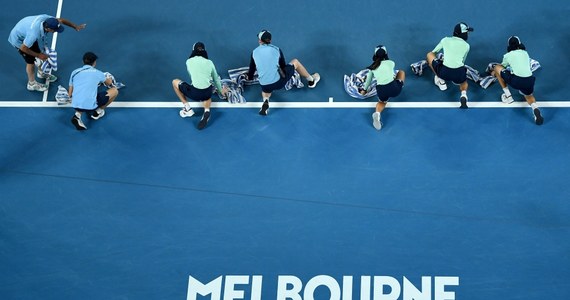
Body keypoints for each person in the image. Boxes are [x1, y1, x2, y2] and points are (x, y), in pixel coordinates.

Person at [247, 30, 320, 116]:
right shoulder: (276, 49)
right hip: (279, 83)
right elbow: (283, 66)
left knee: (266, 91)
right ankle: (311, 80)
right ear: (270, 40)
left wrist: (250, 77)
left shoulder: (254, 52)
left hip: (264, 84)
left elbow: (251, 69)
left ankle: (266, 101)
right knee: (295, 62)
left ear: (260, 40)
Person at [8, 14, 86, 92]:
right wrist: (39, 55)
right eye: (55, 30)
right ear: (48, 29)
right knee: (30, 61)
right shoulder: (33, 34)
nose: (56, 31)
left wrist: (75, 26)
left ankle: (41, 73)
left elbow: (61, 20)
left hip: (25, 32)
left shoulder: (48, 19)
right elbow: (23, 48)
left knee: (37, 52)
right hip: (19, 40)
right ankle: (31, 84)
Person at [172, 42, 227, 130]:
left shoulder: (188, 62)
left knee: (174, 82)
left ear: (193, 50)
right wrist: (221, 91)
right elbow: (216, 79)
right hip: (207, 92)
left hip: (195, 93)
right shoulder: (210, 62)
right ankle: (207, 111)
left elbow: (192, 77)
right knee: (207, 93)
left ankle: (187, 109)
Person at [492, 36, 543, 125]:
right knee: (529, 96)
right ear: (519, 44)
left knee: (497, 68)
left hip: (517, 81)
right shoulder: (525, 53)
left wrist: (494, 72)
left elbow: (503, 66)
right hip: (530, 81)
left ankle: (508, 97)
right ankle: (535, 109)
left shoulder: (507, 55)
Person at [427, 22, 473, 108]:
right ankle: (463, 95)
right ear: (461, 34)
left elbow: (434, 52)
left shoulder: (445, 40)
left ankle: (441, 81)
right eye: (466, 33)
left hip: (444, 72)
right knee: (464, 82)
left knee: (429, 55)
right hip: (459, 73)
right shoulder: (467, 46)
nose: (467, 34)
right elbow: (462, 62)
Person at [359, 45, 405, 130]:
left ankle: (377, 113)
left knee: (382, 102)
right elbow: (392, 73)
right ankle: (400, 85)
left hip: (381, 90)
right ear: (386, 53)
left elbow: (368, 81)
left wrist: (364, 90)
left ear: (375, 55)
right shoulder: (391, 63)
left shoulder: (372, 68)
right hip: (394, 90)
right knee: (401, 72)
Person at [69, 52, 118, 130]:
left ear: (83, 61)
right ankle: (98, 111)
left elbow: (70, 93)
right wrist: (108, 78)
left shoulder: (74, 72)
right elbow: (109, 83)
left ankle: (77, 115)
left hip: (75, 104)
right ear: (94, 62)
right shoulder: (98, 73)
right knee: (115, 91)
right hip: (91, 106)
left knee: (81, 96)